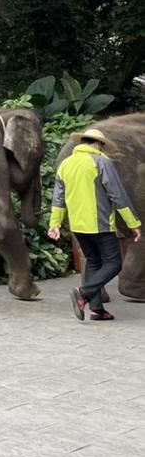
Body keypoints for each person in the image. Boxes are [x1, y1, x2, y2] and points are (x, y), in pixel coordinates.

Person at [48, 127, 142, 322]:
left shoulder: (66, 164)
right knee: (114, 264)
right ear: (98, 144)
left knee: (93, 261)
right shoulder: (101, 162)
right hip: (100, 223)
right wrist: (133, 223)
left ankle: (97, 310)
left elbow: (58, 198)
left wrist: (54, 224)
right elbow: (117, 195)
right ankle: (83, 292)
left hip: (77, 226)